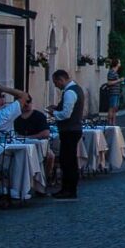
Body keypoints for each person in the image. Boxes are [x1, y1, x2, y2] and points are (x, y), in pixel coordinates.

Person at [50, 69, 84, 199]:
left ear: (61, 80)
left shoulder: (70, 92)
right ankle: (68, 188)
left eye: (56, 82)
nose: (55, 85)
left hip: (70, 130)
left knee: (67, 161)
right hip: (73, 129)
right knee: (69, 160)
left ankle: (69, 189)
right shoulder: (76, 89)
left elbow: (66, 114)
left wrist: (54, 113)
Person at [13, 95, 55, 188]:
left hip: (39, 145)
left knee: (50, 156)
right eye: (25, 102)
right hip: (20, 146)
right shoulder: (15, 118)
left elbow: (46, 133)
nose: (27, 104)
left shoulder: (39, 116)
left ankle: (44, 179)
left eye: (29, 102)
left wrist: (27, 137)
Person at [106, 58, 123, 125]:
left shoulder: (115, 72)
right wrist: (119, 80)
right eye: (119, 63)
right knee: (111, 108)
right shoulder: (111, 72)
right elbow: (109, 83)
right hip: (113, 92)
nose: (120, 64)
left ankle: (113, 123)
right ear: (116, 64)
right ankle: (110, 122)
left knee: (115, 108)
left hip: (116, 92)